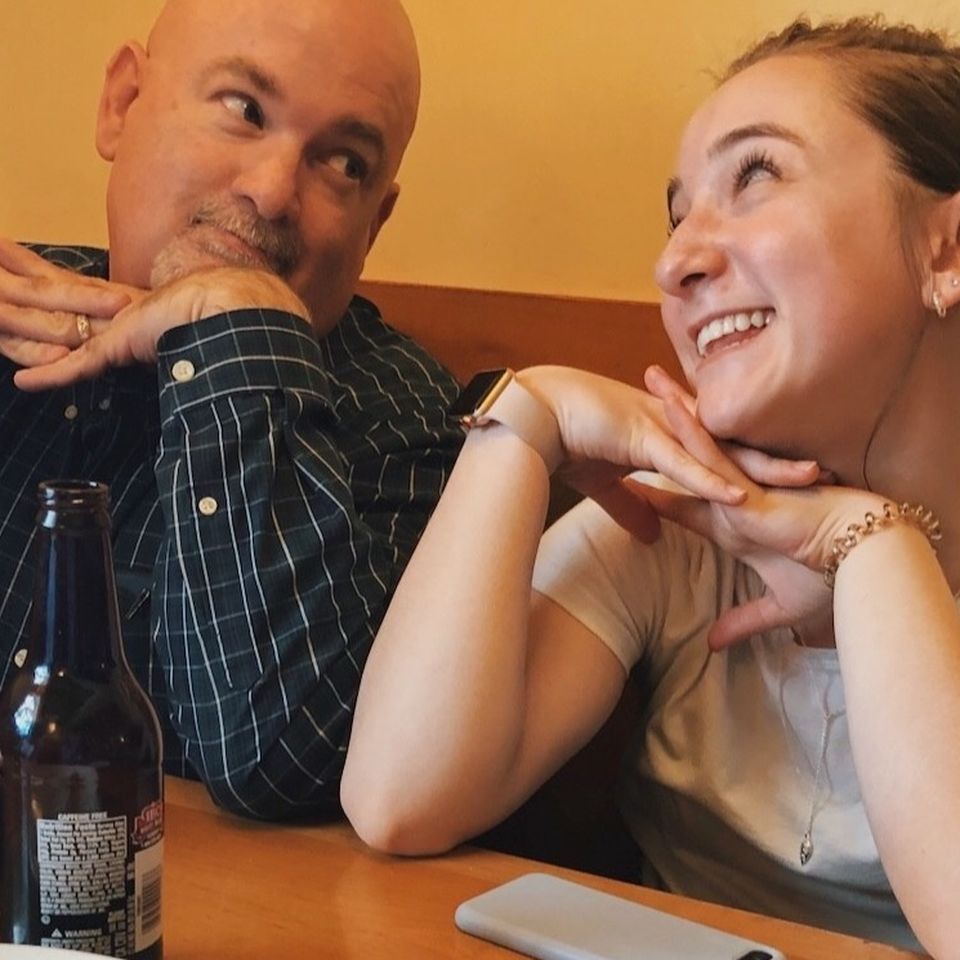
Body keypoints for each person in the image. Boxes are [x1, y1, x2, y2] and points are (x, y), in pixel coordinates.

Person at [341, 16, 960, 957]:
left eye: (757, 175)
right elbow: (398, 799)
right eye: (677, 217)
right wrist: (529, 416)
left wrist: (874, 546)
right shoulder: (670, 528)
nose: (675, 263)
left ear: (945, 252)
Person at [0, 0, 463, 820]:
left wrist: (235, 323)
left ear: (374, 224)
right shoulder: (16, 308)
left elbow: (279, 763)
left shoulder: (408, 423)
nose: (274, 191)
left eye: (344, 164)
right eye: (246, 110)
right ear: (122, 104)